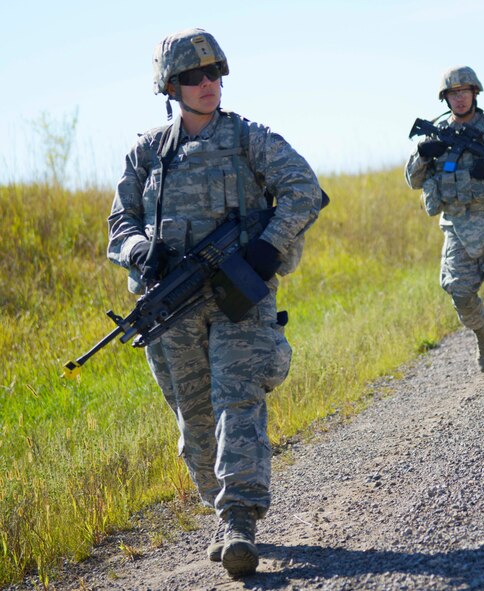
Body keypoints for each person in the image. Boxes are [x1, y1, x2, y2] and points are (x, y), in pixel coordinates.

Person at [107, 28, 322, 578]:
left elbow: (303, 188)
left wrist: (268, 250)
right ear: (170, 87)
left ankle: (239, 521)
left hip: (238, 296)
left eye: (214, 73)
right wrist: (140, 251)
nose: (207, 84)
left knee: (237, 399)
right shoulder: (146, 153)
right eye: (193, 77)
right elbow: (119, 221)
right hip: (172, 305)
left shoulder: (251, 140)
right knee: (195, 420)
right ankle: (220, 509)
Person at [405, 66, 484, 383]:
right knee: (459, 291)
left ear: (475, 93)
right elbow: (411, 180)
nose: (459, 99)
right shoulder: (435, 134)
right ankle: (482, 333)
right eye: (452, 93)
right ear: (445, 98)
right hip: (457, 224)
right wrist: (422, 154)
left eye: (464, 92)